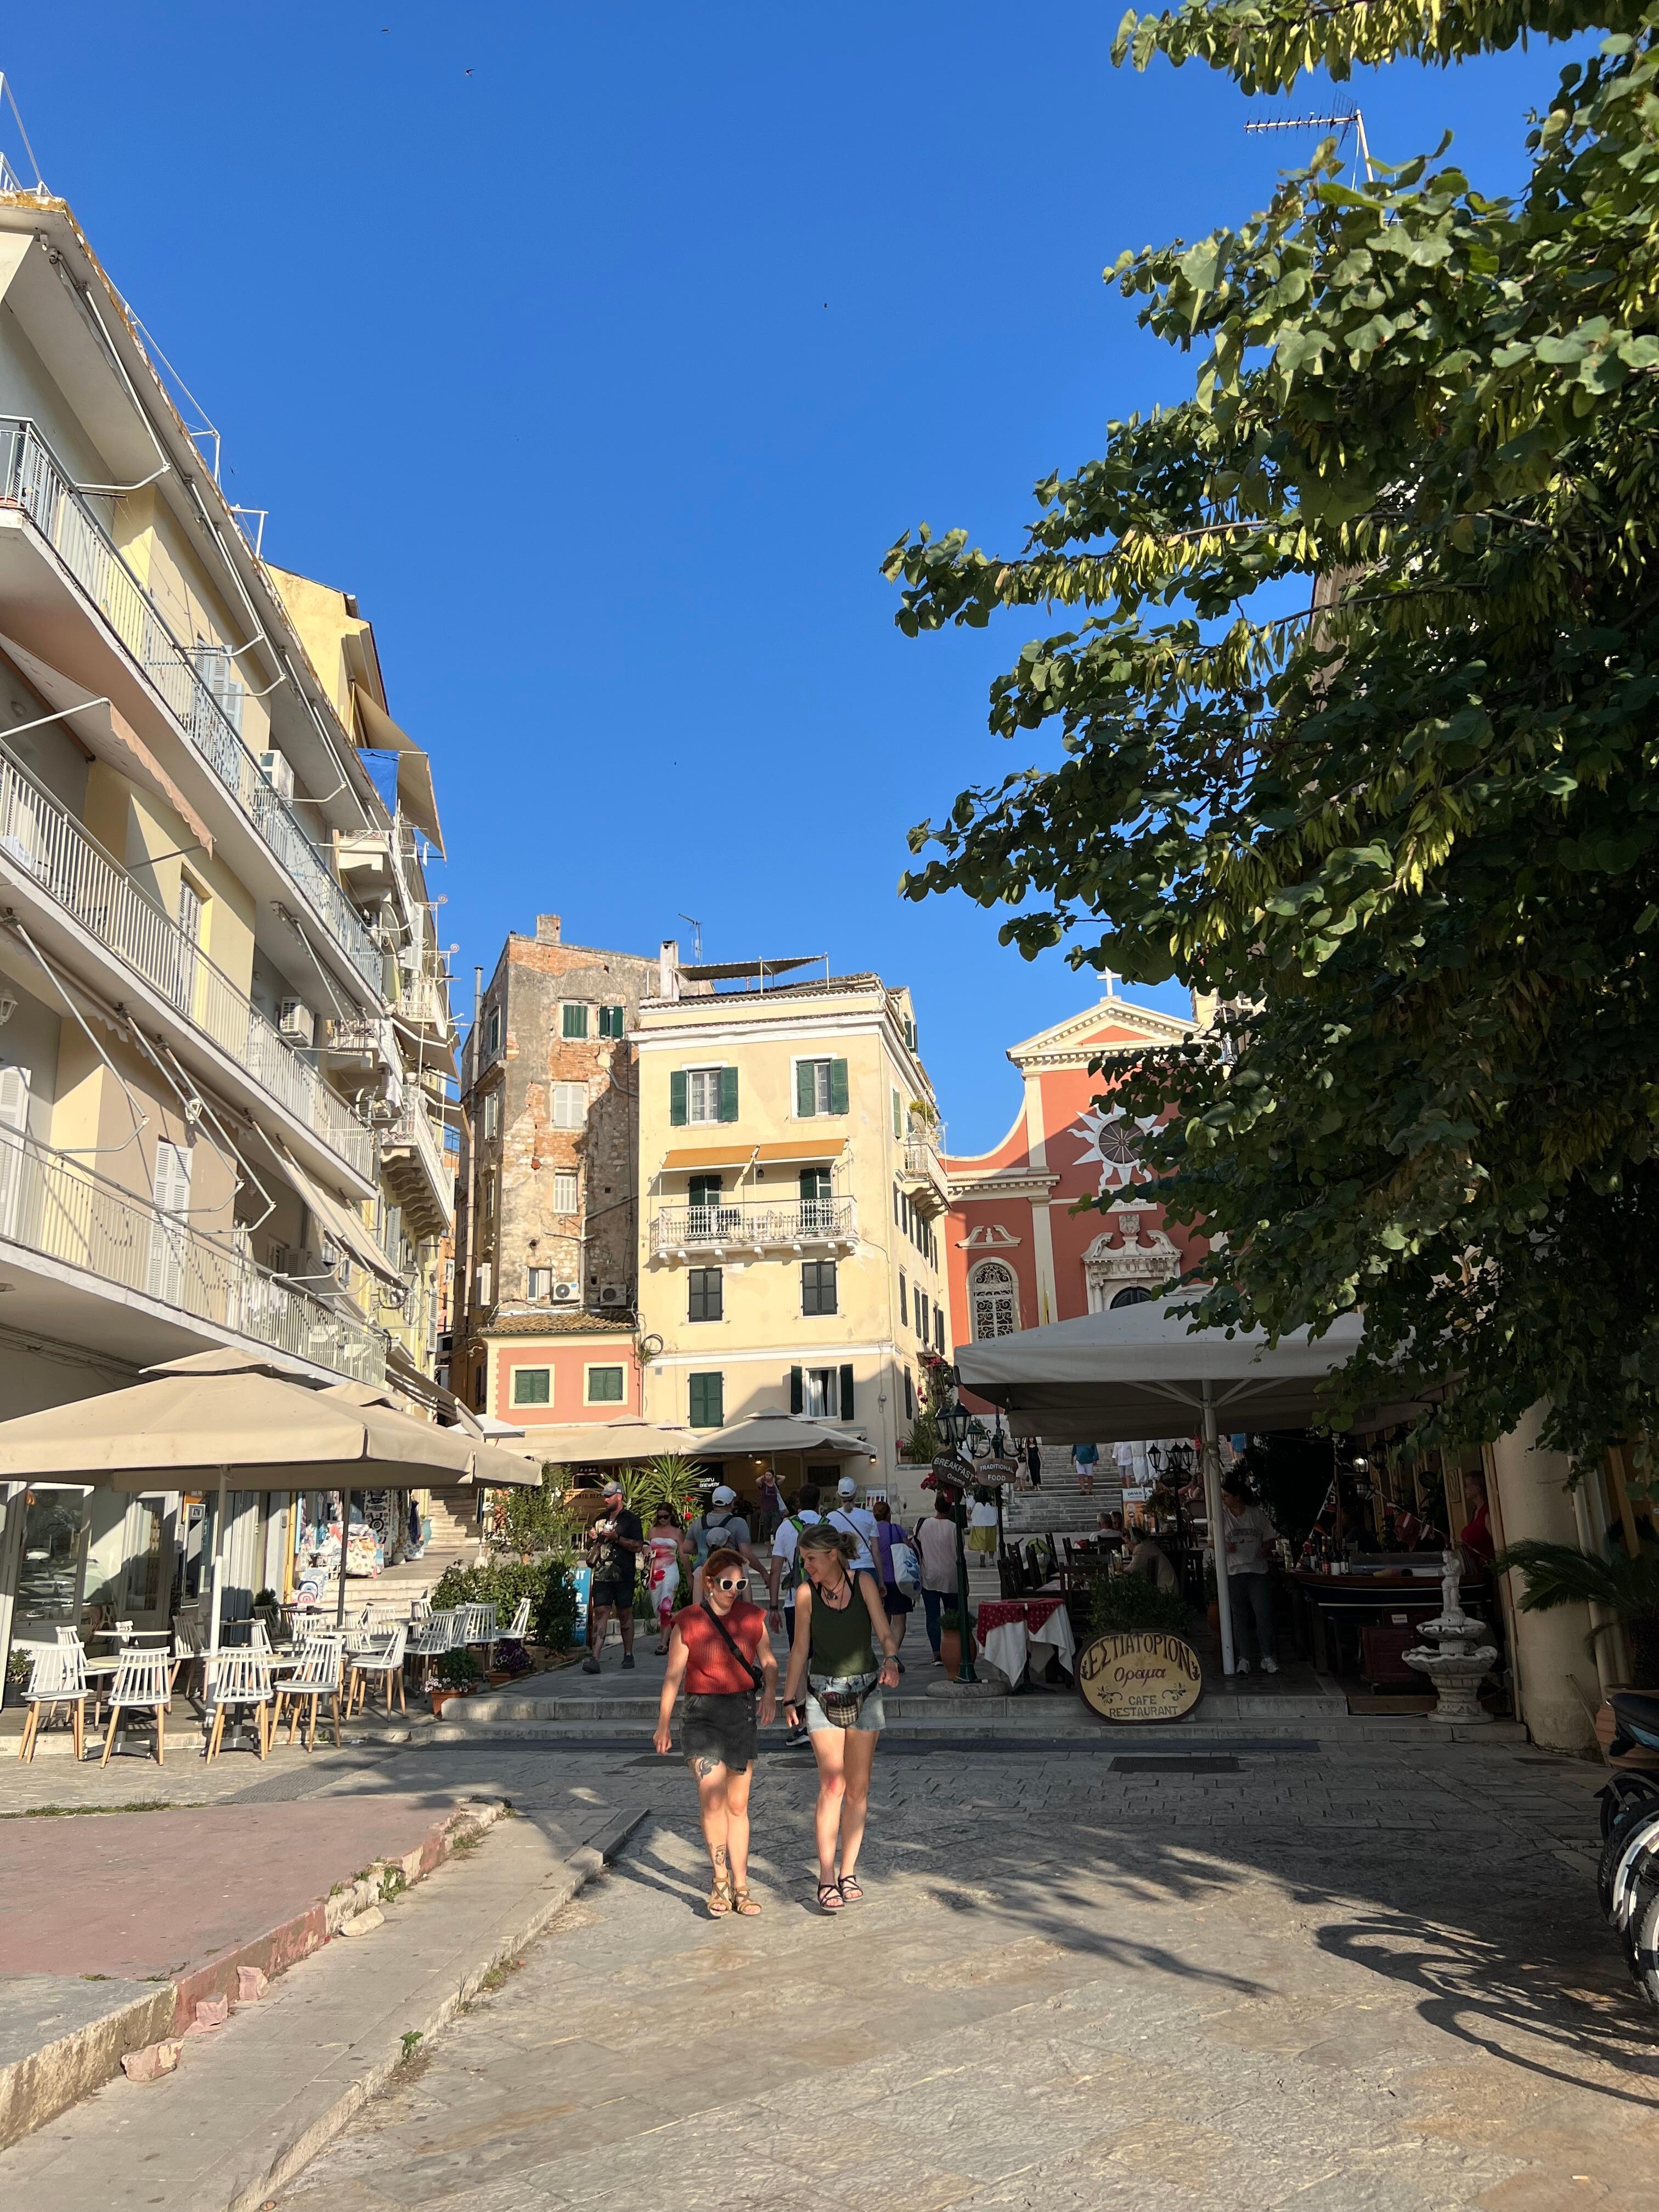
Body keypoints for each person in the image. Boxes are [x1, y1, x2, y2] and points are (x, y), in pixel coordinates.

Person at [782, 1522, 899, 1913]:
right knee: (832, 1783)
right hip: (822, 1691)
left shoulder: (863, 1583)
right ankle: (827, 1875)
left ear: (832, 1555)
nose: (807, 1567)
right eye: (804, 1561)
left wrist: (892, 1660)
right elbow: (800, 1648)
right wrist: (789, 1697)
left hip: (866, 1690)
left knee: (858, 1789)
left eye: (811, 1560)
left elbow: (884, 1632)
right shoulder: (804, 1594)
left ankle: (849, 1871)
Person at [653, 1545, 776, 1916]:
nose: (733, 1591)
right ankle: (720, 1882)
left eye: (740, 1584)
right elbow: (674, 1675)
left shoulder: (753, 1617)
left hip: (741, 1713)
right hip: (702, 1715)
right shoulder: (688, 1621)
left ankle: (742, 1886)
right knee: (712, 1799)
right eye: (727, 1583)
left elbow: (768, 1660)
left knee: (738, 1805)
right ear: (709, 1583)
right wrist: (663, 1724)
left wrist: (771, 1693)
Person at [767, 1482, 824, 1746]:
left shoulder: (786, 1527)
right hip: (825, 1600)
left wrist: (774, 1606)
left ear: (798, 1501)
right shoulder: (828, 1525)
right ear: (820, 1500)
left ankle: (802, 1725)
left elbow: (776, 1570)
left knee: (799, 1658)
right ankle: (827, 1717)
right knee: (824, 1657)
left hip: (794, 1602)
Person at [1218, 1475, 1279, 1674]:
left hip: (1257, 1571)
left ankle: (1267, 1656)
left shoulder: (1256, 1515)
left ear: (1238, 1497)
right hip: (1234, 1571)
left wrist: (1264, 1551)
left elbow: (1271, 1538)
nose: (1224, 1500)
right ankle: (1243, 1658)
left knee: (1263, 1613)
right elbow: (1211, 1540)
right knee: (1239, 1615)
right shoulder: (1221, 1516)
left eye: (1227, 1496)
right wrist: (1223, 1545)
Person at [583, 1481, 645, 1672]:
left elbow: (638, 1546)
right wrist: (592, 1538)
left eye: (609, 1496)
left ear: (619, 1497)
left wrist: (616, 1538)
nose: (605, 1499)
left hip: (624, 1574)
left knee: (624, 1614)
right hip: (602, 1574)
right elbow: (589, 1547)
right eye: (604, 1495)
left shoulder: (631, 1520)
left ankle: (628, 1654)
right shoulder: (600, 1518)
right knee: (601, 1612)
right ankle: (595, 1658)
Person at [689, 1484, 764, 1600]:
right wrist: (764, 1573)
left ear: (713, 1503)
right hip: (731, 1579)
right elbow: (746, 1553)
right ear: (732, 1504)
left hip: (705, 1578)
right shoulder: (739, 1523)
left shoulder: (699, 1523)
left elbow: (686, 1548)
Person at [915, 1493, 960, 1663]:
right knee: (952, 1615)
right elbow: (958, 1553)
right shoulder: (954, 1528)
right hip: (950, 1576)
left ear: (936, 1507)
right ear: (950, 1508)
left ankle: (936, 1653)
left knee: (932, 1616)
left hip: (929, 1575)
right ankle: (954, 1648)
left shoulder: (924, 1525)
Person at [870, 1499, 912, 1669]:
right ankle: (892, 1656)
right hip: (897, 1579)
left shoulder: (871, 1532)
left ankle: (889, 1654)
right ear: (888, 1514)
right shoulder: (896, 1529)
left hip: (877, 1580)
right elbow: (908, 1547)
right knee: (900, 1622)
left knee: (884, 1622)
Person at [645, 1504, 692, 1656]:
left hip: (671, 1571)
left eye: (665, 1516)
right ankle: (673, 1632)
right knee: (656, 1607)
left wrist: (689, 1575)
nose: (663, 1520)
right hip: (654, 1571)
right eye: (660, 1517)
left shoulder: (677, 1533)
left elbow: (683, 1554)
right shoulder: (652, 1531)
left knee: (666, 1606)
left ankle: (663, 1643)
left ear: (671, 1516)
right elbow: (645, 1551)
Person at [825, 1475, 878, 1571]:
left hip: (845, 1568)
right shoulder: (868, 1516)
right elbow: (876, 1551)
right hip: (867, 1566)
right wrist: (881, 1579)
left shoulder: (830, 1518)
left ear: (838, 1495)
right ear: (855, 1494)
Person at [1458, 1470, 1496, 1568]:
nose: (1465, 1489)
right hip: (1475, 1567)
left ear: (1478, 1487)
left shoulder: (1486, 1513)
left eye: (1468, 1485)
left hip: (1488, 1568)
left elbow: (1495, 1542)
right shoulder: (1475, 1511)